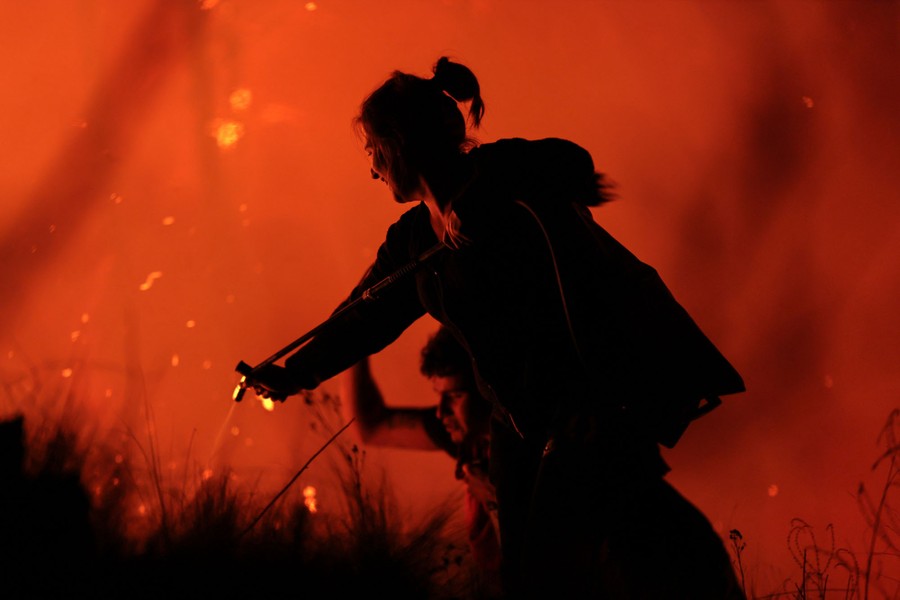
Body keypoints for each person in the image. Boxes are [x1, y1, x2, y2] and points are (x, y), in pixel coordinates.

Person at [244, 56, 747, 598]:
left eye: (373, 151)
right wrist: (296, 373)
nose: (371, 169)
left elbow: (573, 163)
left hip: (587, 405)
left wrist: (484, 197)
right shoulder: (415, 240)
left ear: (400, 142)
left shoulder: (503, 176)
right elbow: (365, 315)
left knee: (584, 556)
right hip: (519, 425)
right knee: (547, 567)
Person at [340, 325, 502, 596]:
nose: (440, 412)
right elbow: (370, 426)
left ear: (489, 390)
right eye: (439, 395)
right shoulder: (465, 436)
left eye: (455, 396)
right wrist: (354, 339)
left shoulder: (540, 446)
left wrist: (497, 501)